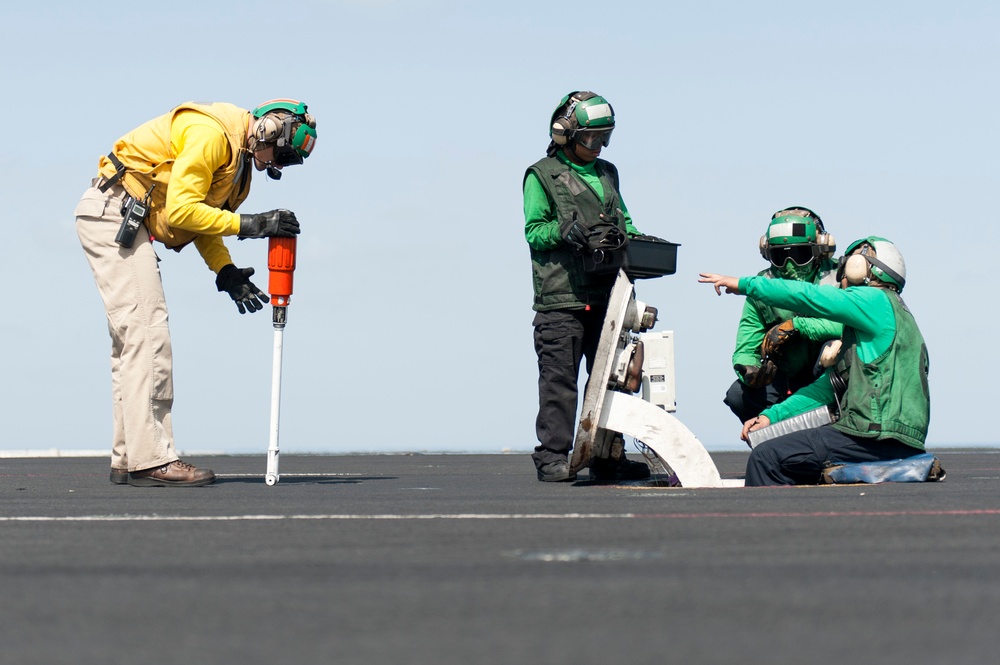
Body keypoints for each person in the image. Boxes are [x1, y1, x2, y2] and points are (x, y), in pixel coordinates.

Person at [75, 99, 317, 487]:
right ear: (270, 129)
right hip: (115, 213)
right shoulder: (212, 136)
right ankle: (151, 459)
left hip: (121, 215)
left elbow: (205, 219)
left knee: (131, 341)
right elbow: (181, 211)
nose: (276, 165)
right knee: (146, 332)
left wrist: (226, 270)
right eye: (281, 155)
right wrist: (252, 224)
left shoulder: (239, 159)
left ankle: (129, 456)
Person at [699, 236, 931, 486]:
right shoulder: (892, 318)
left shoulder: (874, 302)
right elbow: (827, 388)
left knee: (765, 457)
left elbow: (809, 296)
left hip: (872, 437)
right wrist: (770, 417)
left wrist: (746, 285)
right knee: (793, 461)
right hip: (900, 440)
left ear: (858, 268)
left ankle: (769, 525)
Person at [523, 90, 654, 483]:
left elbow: (624, 222)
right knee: (559, 382)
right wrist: (564, 231)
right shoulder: (540, 175)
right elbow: (534, 231)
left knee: (613, 378)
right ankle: (551, 457)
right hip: (562, 299)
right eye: (590, 138)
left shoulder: (607, 172)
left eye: (604, 138)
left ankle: (608, 456)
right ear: (565, 133)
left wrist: (642, 243)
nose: (597, 147)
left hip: (608, 297)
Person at [724, 207, 843, 423]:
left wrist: (796, 326)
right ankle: (770, 439)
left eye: (799, 255)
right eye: (780, 256)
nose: (789, 265)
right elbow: (746, 344)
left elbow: (851, 327)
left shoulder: (839, 279)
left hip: (832, 373)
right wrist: (751, 372)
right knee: (738, 396)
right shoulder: (762, 288)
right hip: (786, 374)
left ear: (820, 249)